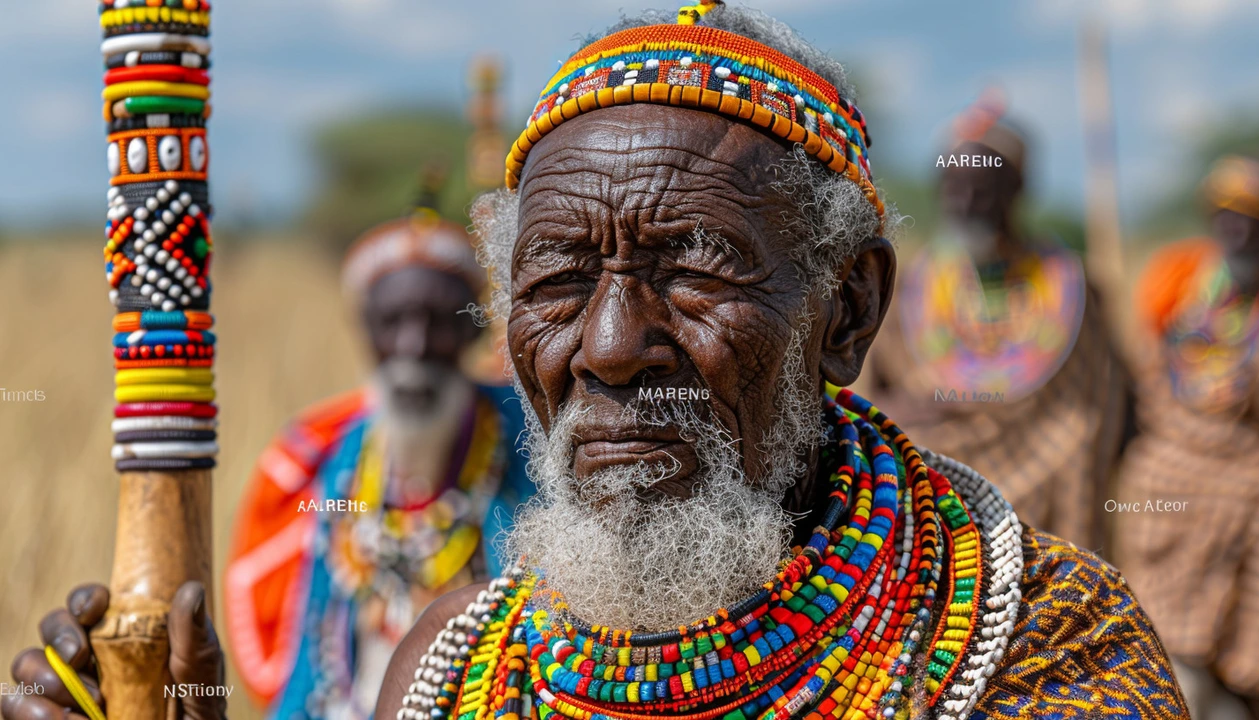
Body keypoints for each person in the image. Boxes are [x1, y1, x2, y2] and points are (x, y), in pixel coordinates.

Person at [4, 3, 1189, 720]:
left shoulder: (1038, 646)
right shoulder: (455, 664)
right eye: (559, 283)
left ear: (846, 311)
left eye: (693, 267)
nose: (612, 349)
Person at [220, 206, 533, 718]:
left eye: (438, 322)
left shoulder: (523, 440)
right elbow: (314, 655)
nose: (414, 347)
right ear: (367, 332)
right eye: (394, 322)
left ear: (472, 333)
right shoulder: (340, 462)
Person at [865, 93, 1128, 553]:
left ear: (1018, 192)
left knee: (1074, 453)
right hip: (935, 448)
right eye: (954, 188)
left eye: (983, 192)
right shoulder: (908, 284)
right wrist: (894, 409)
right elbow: (869, 388)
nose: (966, 204)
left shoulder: (1070, 287)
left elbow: (1095, 409)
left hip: (1045, 457)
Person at [1113, 155, 1259, 720]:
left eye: (1253, 219)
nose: (1238, 231)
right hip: (1165, 469)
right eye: (1227, 217)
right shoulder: (1176, 290)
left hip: (1249, 476)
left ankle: (1244, 674)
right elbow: (1144, 387)